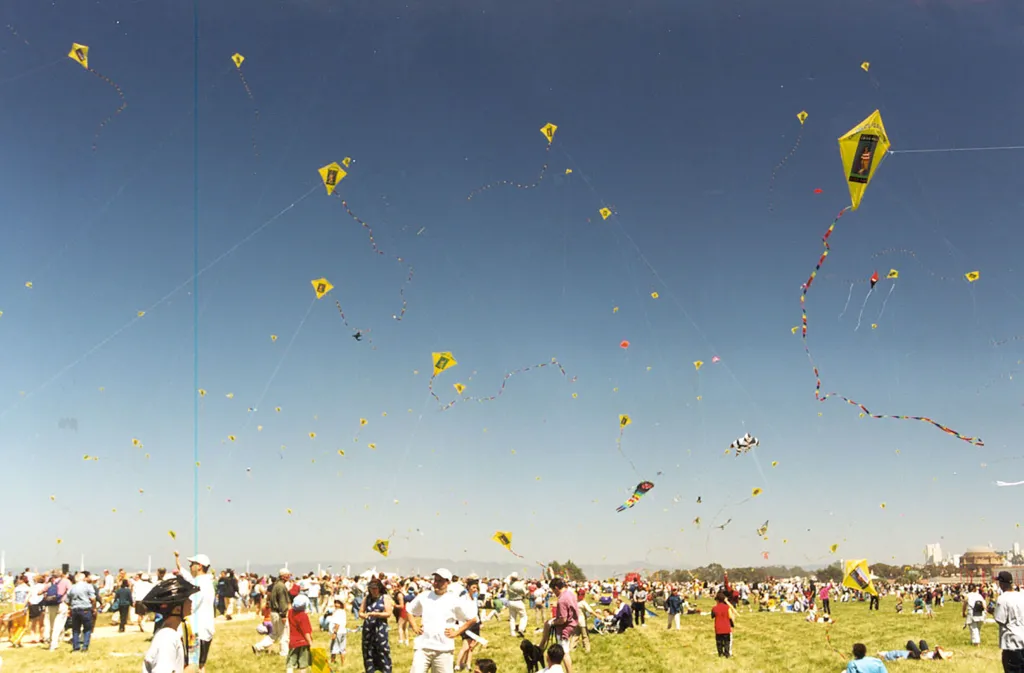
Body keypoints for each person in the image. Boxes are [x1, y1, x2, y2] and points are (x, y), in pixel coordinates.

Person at [407, 568, 478, 673]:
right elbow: (409, 610)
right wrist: (414, 626)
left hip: (444, 649)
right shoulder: (424, 596)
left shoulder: (454, 600)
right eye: (435, 580)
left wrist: (457, 632)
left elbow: (472, 618)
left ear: (447, 582)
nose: (436, 583)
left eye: (440, 580)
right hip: (423, 647)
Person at [140, 575, 199, 673]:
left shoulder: (171, 634)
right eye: (186, 599)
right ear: (177, 609)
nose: (191, 601)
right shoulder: (167, 638)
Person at [174, 551, 215, 673]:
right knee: (201, 666)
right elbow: (186, 575)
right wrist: (177, 560)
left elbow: (191, 605)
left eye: (192, 564)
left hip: (195, 632)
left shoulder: (199, 584)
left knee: (189, 665)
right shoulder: (206, 581)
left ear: (200, 566)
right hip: (206, 629)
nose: (190, 566)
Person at [360, 578, 394, 673]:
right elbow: (361, 612)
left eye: (375, 588)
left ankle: (386, 670)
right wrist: (365, 616)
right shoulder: (367, 598)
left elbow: (388, 613)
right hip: (368, 629)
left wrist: (377, 614)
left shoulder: (384, 598)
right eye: (371, 588)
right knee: (368, 651)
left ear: (379, 588)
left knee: (383, 650)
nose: (373, 590)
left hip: (380, 628)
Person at [994, 570, 1024, 672]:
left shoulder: (1002, 599)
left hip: (1011, 642)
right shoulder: (1021, 596)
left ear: (1001, 584)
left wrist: (992, 612)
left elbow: (1000, 620)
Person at [68, 572, 97, 653]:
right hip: (85, 608)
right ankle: (85, 646)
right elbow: (93, 598)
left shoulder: (72, 587)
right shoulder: (88, 586)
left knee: (76, 629)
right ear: (84, 578)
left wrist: (70, 607)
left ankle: (75, 647)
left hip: (75, 609)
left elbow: (67, 600)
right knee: (87, 628)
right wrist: (94, 608)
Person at [287, 594, 315, 673]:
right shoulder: (303, 616)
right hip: (303, 642)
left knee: (290, 662)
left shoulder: (290, 612)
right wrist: (310, 642)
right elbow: (305, 631)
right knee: (303, 663)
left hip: (293, 641)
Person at [710, 591, 733, 658]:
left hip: (718, 627)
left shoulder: (714, 608)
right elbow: (730, 616)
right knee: (727, 642)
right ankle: (727, 654)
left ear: (717, 600)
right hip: (726, 627)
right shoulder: (727, 607)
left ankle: (720, 653)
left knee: (719, 642)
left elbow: (712, 616)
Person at [506, 572, 528, 638]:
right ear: (517, 578)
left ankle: (512, 632)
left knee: (512, 618)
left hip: (510, 601)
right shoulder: (519, 585)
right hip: (518, 601)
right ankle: (521, 629)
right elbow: (525, 593)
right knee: (523, 616)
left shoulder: (508, 583)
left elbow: (507, 578)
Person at [328, 598, 347, 667]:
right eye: (335, 603)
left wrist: (334, 632)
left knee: (333, 648)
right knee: (342, 648)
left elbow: (337, 623)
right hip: (343, 631)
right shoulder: (343, 611)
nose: (336, 604)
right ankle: (343, 664)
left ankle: (332, 663)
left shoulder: (338, 612)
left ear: (341, 605)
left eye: (338, 603)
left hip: (338, 632)